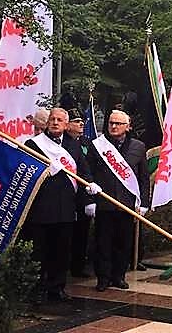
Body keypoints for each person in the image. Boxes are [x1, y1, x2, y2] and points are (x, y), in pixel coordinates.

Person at [23, 108, 98, 303]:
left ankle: (57, 288)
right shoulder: (34, 144)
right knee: (39, 253)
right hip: (40, 209)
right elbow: (25, 173)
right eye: (52, 119)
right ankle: (36, 290)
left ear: (66, 125)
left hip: (65, 208)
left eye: (60, 120)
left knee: (61, 252)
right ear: (47, 123)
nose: (55, 123)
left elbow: (83, 170)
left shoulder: (74, 146)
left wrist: (89, 187)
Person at [84, 109, 149, 291]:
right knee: (103, 242)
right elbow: (87, 171)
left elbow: (143, 177)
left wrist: (144, 203)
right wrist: (89, 196)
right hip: (104, 203)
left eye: (118, 123)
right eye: (111, 123)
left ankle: (118, 276)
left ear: (127, 127)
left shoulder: (138, 146)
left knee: (123, 242)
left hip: (127, 205)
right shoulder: (97, 146)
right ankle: (103, 278)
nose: (113, 126)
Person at [66, 109, 92, 279]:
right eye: (76, 121)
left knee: (82, 233)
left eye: (82, 121)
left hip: (84, 196)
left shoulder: (88, 143)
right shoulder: (62, 144)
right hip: (68, 196)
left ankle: (78, 266)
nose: (81, 124)